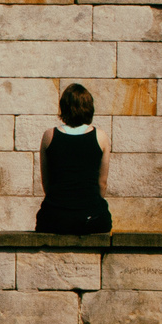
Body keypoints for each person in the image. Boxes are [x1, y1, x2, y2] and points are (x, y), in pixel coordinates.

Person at [35, 83, 112, 234]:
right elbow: (101, 184)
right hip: (91, 218)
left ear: (64, 107)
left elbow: (47, 182)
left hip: (54, 218)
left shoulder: (49, 136)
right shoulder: (101, 136)